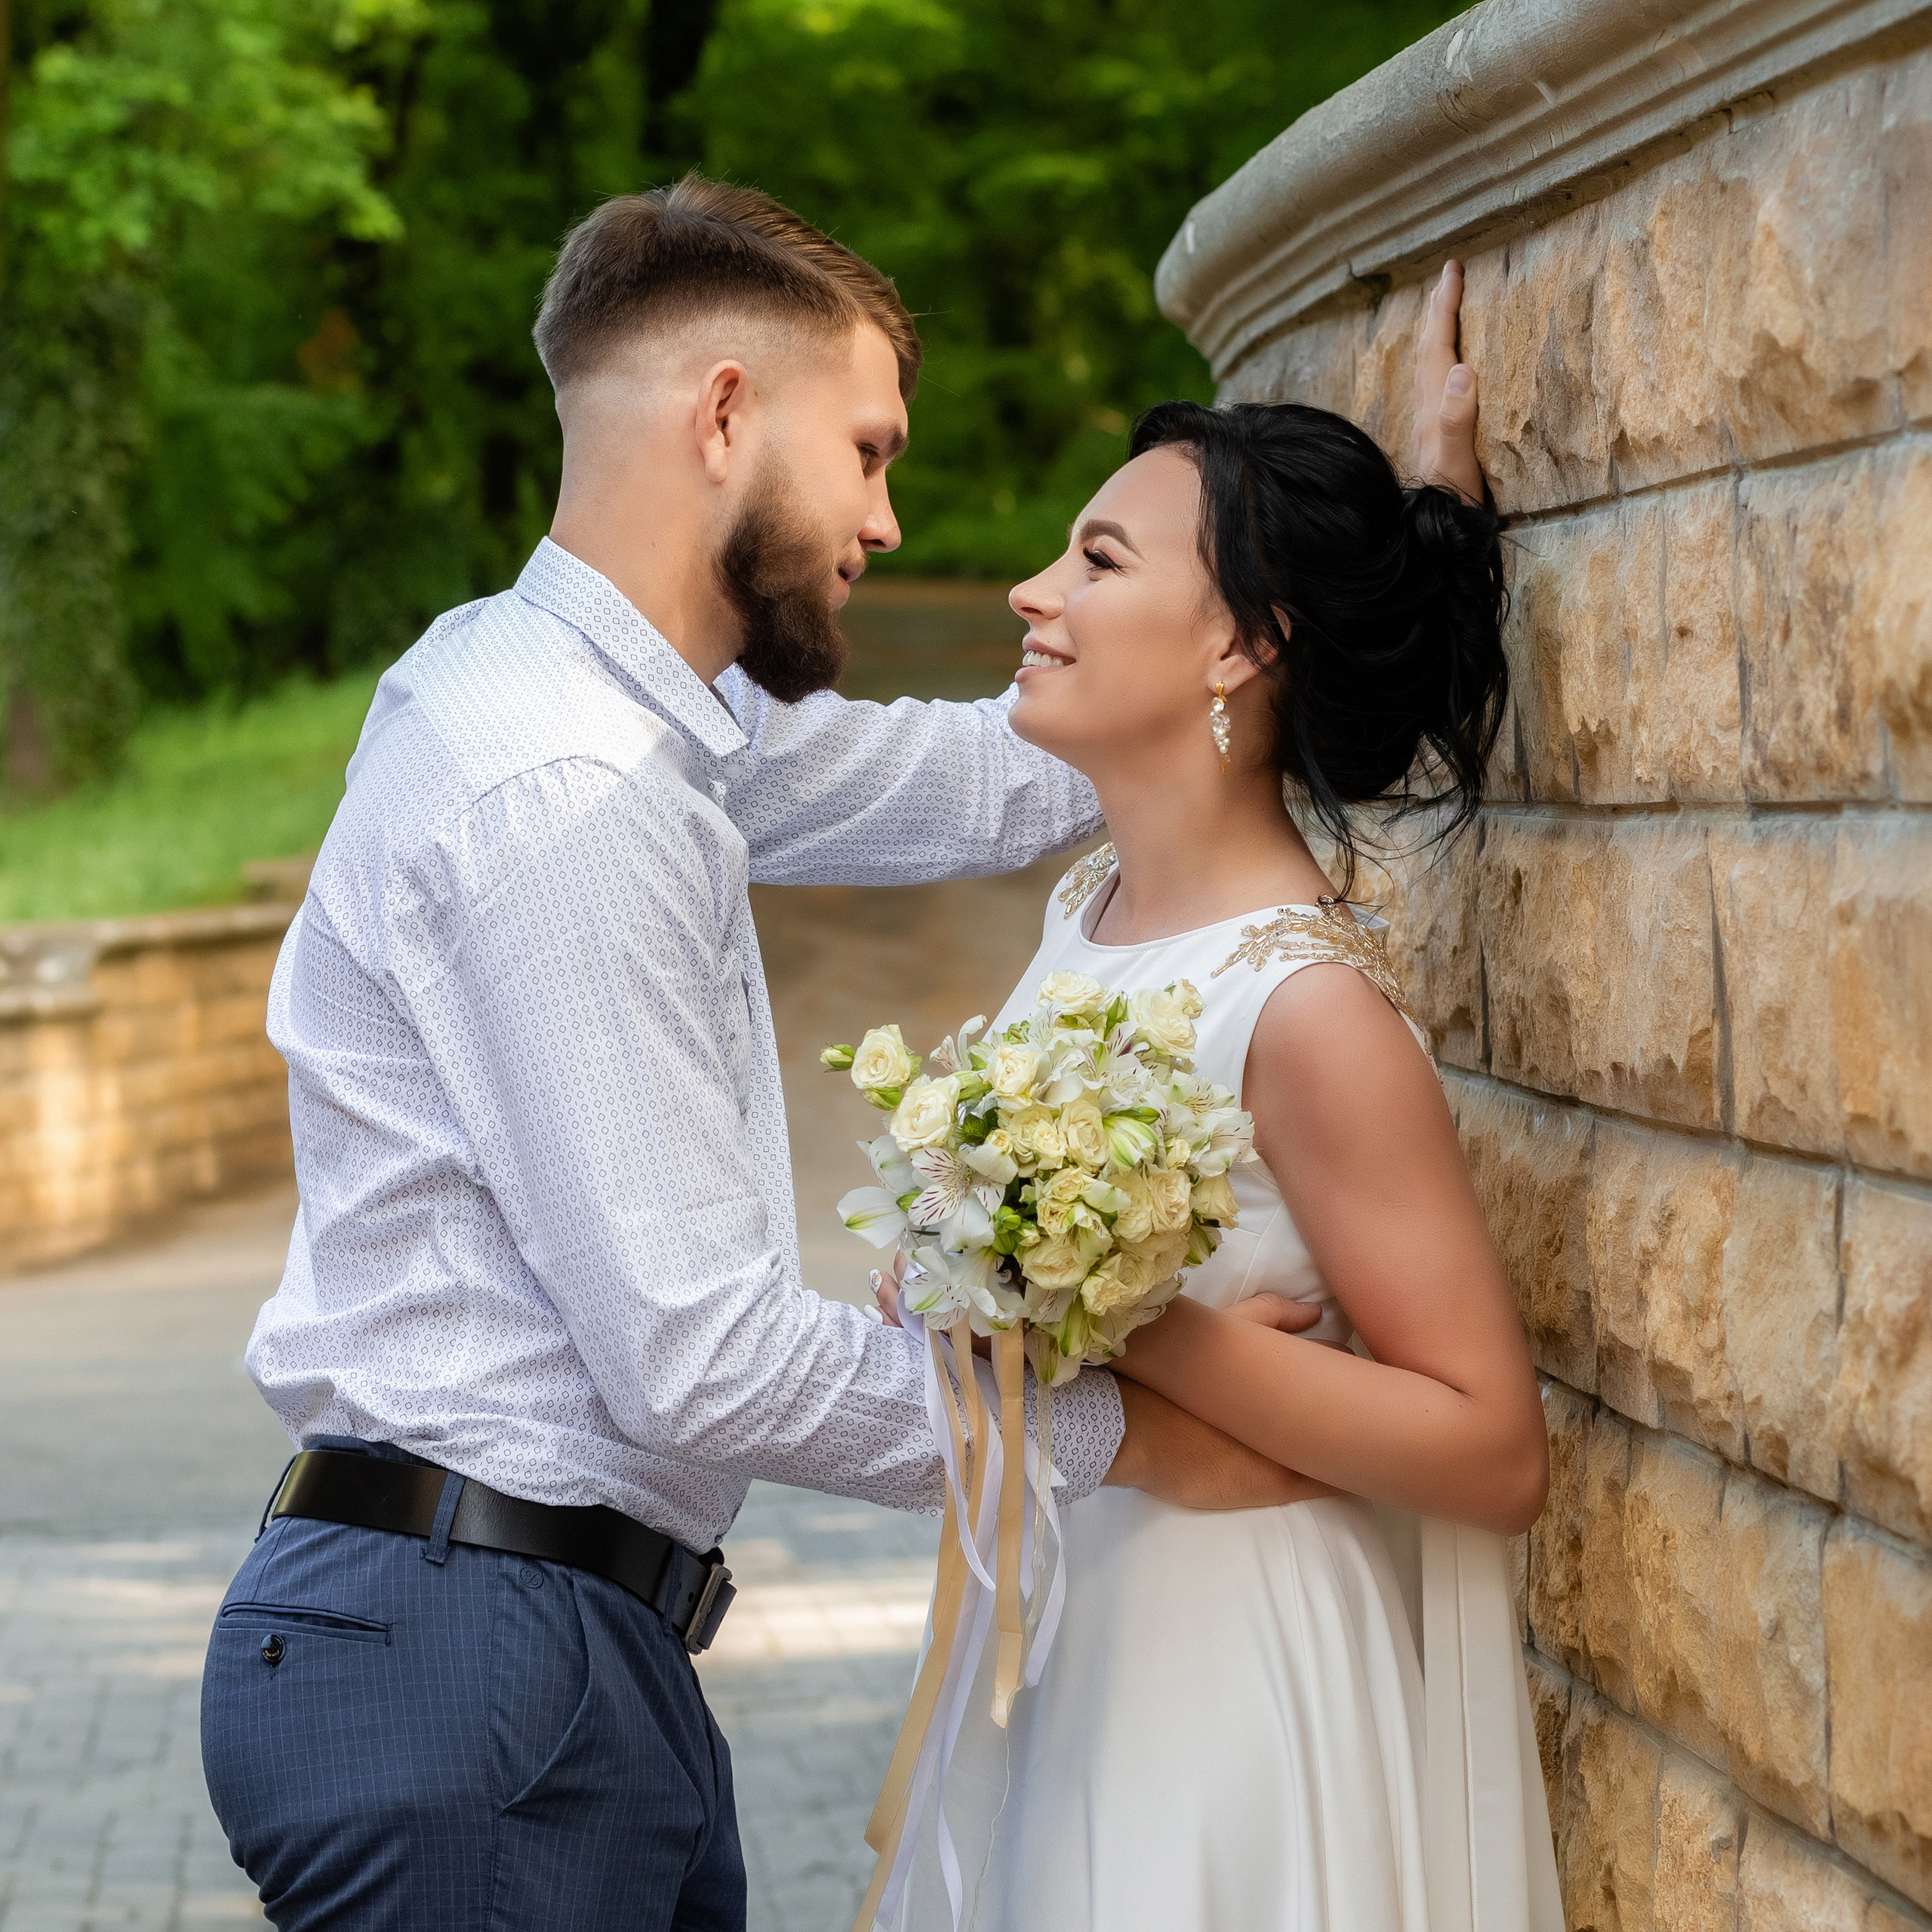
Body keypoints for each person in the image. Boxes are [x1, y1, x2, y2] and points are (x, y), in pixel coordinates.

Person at [197, 177, 1486, 1930]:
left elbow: (993, 771)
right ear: (725, 413)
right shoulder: (569, 789)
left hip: (529, 1640)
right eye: (867, 452)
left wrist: (1361, 582)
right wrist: (1129, 1431)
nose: (886, 520)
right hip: (472, 1658)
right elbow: (699, 1359)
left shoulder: (583, 700)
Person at [879, 342, 1560, 1926]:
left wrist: (1121, 1319)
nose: (1032, 592)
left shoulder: (1307, 1008)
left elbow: (1491, 1447)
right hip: (1080, 1639)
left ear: (1244, 643)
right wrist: (947, 1279)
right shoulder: (1086, 907)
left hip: (1233, 1674)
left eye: (1098, 559)